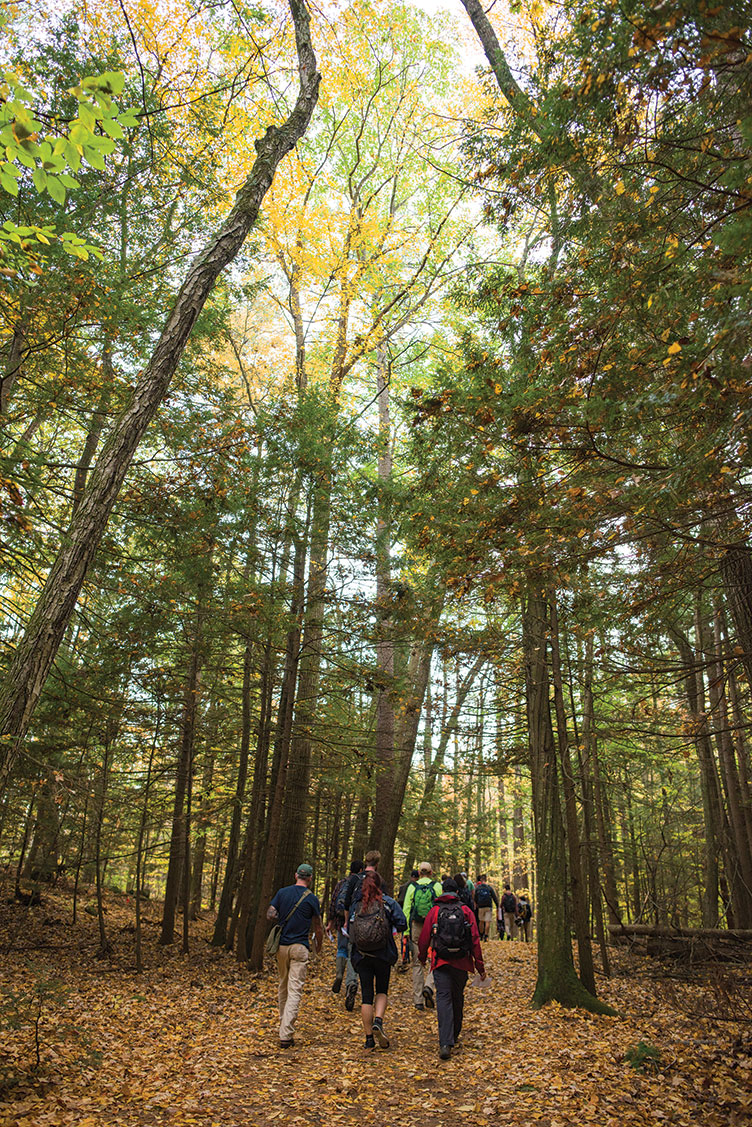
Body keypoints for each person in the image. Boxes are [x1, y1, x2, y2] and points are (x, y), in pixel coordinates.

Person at [418, 877, 485, 1060]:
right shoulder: (465, 910)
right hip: (462, 962)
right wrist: (480, 966)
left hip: (441, 962)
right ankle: (454, 1034)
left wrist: (422, 958)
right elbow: (475, 939)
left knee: (443, 998)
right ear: (457, 892)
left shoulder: (435, 911)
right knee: (457, 997)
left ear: (442, 892)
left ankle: (445, 1042)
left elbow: (424, 937)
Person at [346, 871, 406, 1049]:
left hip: (362, 955)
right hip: (383, 953)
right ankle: (378, 1021)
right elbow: (403, 923)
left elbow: (350, 931)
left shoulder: (357, 905)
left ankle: (369, 1039)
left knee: (366, 995)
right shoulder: (388, 903)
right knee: (381, 990)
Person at [267, 863, 323, 1048]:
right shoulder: (312, 899)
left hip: (282, 946)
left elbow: (270, 914)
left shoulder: (282, 893)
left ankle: (283, 1025)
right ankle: (286, 1033)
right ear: (310, 878)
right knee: (295, 989)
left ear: (295, 875)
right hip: (300, 946)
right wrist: (319, 946)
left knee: (283, 986)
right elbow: (318, 926)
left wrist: (280, 919)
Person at [337, 849, 381, 1011]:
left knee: (351, 952)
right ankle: (368, 992)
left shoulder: (354, 880)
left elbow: (347, 903)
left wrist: (347, 922)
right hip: (372, 923)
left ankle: (351, 983)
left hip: (356, 921)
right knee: (370, 955)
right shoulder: (378, 880)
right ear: (377, 863)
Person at [402, 861, 443, 1010]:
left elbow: (406, 909)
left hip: (417, 927)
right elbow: (442, 907)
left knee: (417, 962)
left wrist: (405, 931)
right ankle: (429, 985)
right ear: (431, 873)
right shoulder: (437, 886)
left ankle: (418, 1000)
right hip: (433, 927)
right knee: (435, 959)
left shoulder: (412, 887)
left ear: (419, 873)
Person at [328, 860, 363, 994]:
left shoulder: (341, 883)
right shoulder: (360, 883)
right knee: (352, 951)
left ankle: (339, 975)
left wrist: (330, 922)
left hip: (339, 921)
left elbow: (333, 901)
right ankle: (351, 982)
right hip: (354, 922)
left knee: (341, 949)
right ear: (360, 870)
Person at [473, 874, 499, 941]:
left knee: (481, 921)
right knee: (487, 921)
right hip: (488, 906)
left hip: (481, 906)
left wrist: (476, 904)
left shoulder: (478, 888)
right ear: (486, 879)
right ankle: (486, 936)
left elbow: (475, 897)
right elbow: (494, 897)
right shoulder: (489, 888)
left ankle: (481, 935)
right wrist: (497, 905)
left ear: (481, 880)